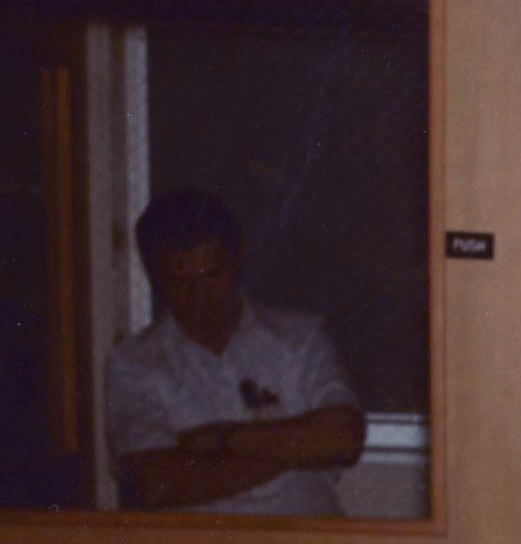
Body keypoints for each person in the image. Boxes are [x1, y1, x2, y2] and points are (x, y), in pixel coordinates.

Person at [107, 189, 365, 516]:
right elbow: (156, 483)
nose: (199, 295)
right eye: (179, 280)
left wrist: (218, 440)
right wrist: (297, 447)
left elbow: (343, 438)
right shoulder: (133, 363)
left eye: (212, 274)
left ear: (239, 257)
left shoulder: (301, 339)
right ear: (155, 278)